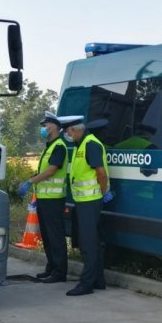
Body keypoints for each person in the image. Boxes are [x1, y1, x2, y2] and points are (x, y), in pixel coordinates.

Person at [18, 111, 70, 283]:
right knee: (47, 236)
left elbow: (51, 170)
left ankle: (59, 273)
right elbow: (43, 170)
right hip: (44, 198)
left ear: (54, 126)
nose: (43, 128)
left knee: (55, 236)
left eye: (46, 125)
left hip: (54, 199)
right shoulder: (49, 147)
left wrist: (30, 181)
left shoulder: (59, 146)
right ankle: (51, 267)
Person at [63, 116, 111, 296]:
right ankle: (98, 280)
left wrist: (104, 192)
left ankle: (86, 284)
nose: (67, 134)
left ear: (76, 129)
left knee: (88, 243)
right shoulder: (80, 145)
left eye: (68, 131)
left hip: (90, 202)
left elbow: (101, 173)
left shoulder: (90, 144)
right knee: (93, 242)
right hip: (84, 201)